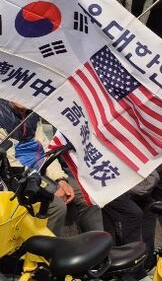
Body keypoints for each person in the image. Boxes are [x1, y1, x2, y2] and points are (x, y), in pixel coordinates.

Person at [0, 99, 103, 237]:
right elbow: (11, 164)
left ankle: (96, 245)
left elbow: (46, 149)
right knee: (56, 206)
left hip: (42, 170)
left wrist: (59, 179)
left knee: (87, 196)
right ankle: (47, 248)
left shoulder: (32, 115)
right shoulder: (2, 116)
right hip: (20, 178)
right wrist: (50, 186)